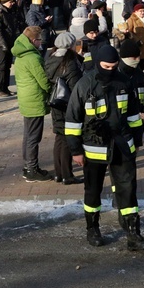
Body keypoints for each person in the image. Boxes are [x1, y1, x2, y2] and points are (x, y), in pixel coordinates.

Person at [65, 44, 144, 250]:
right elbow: (72, 120)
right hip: (93, 147)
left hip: (121, 145)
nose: (110, 70)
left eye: (114, 66)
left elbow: (133, 116)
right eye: (106, 66)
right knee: (93, 190)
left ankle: (133, 232)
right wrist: (75, 151)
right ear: (98, 64)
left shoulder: (124, 82)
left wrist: (137, 141)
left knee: (127, 189)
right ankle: (92, 228)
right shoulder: (85, 85)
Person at [12, 26, 52, 182]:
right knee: (34, 137)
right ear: (33, 40)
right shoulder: (33, 58)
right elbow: (43, 80)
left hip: (26, 99)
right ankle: (32, 169)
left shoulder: (21, 55)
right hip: (34, 100)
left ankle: (28, 166)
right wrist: (52, 90)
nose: (41, 43)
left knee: (28, 136)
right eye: (39, 40)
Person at [44, 32, 84, 185]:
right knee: (67, 139)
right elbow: (75, 86)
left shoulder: (51, 59)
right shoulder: (69, 62)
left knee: (59, 138)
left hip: (56, 102)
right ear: (70, 45)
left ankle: (59, 174)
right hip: (68, 104)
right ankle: (68, 176)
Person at [118, 39, 144, 149]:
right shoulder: (115, 76)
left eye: (138, 56)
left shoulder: (140, 75)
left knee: (132, 160)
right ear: (124, 58)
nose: (138, 60)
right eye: (134, 58)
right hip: (119, 130)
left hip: (137, 129)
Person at [0, 0, 18, 97]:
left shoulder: (9, 12)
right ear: (4, 2)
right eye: (10, 2)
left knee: (7, 66)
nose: (12, 3)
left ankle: (5, 88)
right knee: (1, 66)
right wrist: (3, 44)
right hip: (2, 43)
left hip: (9, 42)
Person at [126, 3, 144, 72]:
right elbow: (129, 32)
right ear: (136, 12)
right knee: (137, 63)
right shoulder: (131, 19)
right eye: (140, 11)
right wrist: (136, 40)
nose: (142, 12)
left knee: (142, 62)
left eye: (143, 11)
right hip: (137, 44)